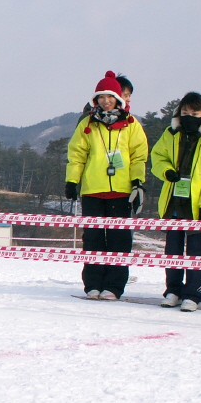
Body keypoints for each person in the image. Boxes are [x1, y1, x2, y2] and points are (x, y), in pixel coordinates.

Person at [65, 71, 148, 300]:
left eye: (110, 96)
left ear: (118, 99)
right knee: (92, 238)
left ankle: (114, 285)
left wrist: (137, 183)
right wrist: (72, 180)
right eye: (101, 96)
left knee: (118, 240)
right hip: (93, 189)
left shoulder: (132, 125)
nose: (105, 101)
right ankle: (92, 283)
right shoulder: (87, 124)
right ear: (96, 99)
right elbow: (77, 154)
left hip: (121, 191)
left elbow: (139, 156)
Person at [150, 92, 201, 312]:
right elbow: (157, 157)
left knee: (195, 251)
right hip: (174, 201)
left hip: (197, 203)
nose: (189, 116)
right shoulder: (171, 134)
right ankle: (173, 289)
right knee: (172, 250)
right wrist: (166, 171)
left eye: (194, 113)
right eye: (184, 112)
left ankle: (193, 293)